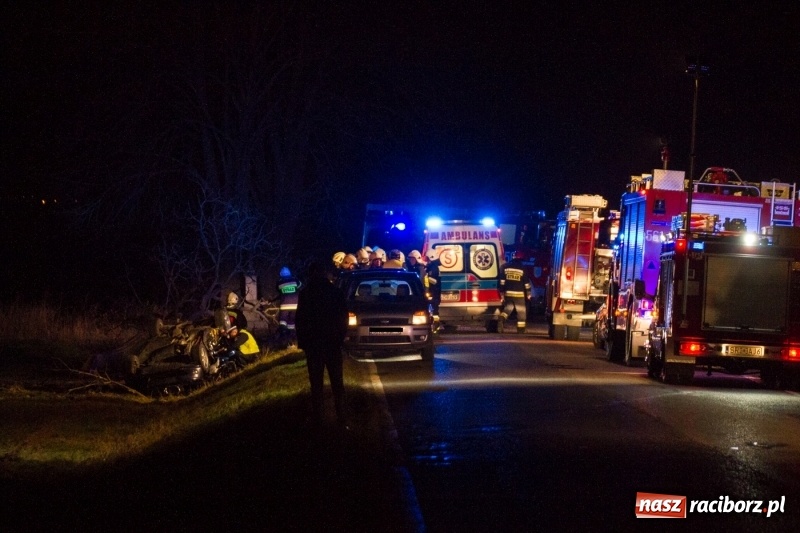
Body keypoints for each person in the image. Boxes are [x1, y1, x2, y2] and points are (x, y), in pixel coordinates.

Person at [295, 261, 349, 426]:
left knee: (316, 383)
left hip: (314, 345)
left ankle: (319, 417)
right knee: (337, 383)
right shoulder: (336, 292)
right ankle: (341, 417)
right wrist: (340, 338)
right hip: (332, 343)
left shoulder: (306, 294)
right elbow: (343, 318)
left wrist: (303, 343)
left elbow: (300, 320)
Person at [498, 250, 532, 333]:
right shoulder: (523, 268)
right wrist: (528, 293)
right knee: (521, 312)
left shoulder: (505, 267)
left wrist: (502, 291)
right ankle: (520, 330)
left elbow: (502, 281)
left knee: (508, 308)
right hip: (519, 295)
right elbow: (526, 283)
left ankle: (501, 319)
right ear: (521, 259)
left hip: (508, 293)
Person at [277, 266, 300, 344]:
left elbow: (279, 291)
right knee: (291, 323)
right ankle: (292, 341)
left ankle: (283, 336)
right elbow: (300, 285)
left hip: (284, 305)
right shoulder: (295, 280)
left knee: (283, 321)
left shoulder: (280, 282)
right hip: (295, 305)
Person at [425, 249, 442, 332]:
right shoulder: (432, 267)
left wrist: (426, 277)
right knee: (433, 311)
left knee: (434, 311)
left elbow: (434, 281)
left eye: (427, 258)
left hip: (434, 293)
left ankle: (435, 328)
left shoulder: (433, 268)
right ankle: (435, 327)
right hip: (434, 292)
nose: (426, 260)